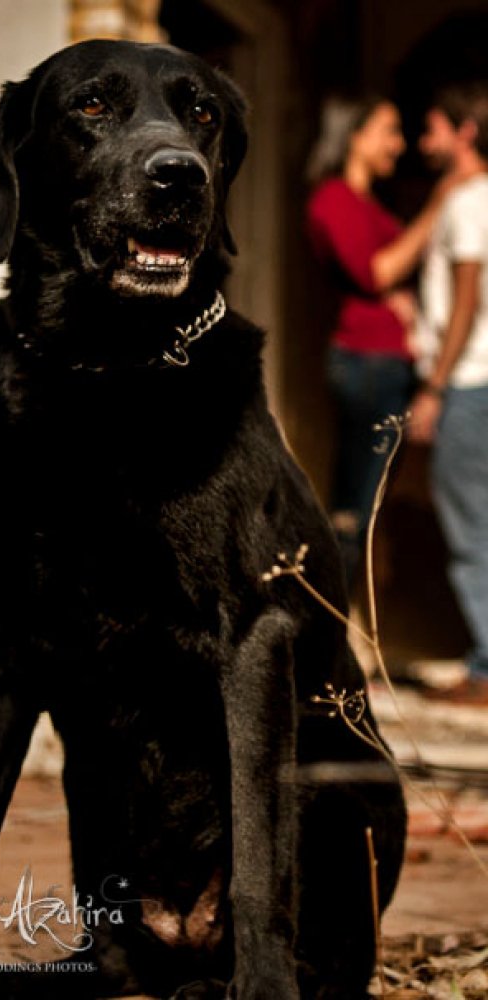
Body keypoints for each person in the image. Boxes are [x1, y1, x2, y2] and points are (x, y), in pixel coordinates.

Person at [306, 97, 453, 591]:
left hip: (390, 361)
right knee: (355, 508)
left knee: (370, 504)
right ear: (356, 136)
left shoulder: (372, 205)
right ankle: (338, 638)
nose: (399, 143)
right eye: (389, 130)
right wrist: (439, 203)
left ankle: (355, 635)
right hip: (365, 361)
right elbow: (375, 272)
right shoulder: (332, 199)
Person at [408, 82, 488, 705]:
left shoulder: (467, 203)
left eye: (432, 127)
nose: (420, 141)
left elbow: (468, 298)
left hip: (468, 382)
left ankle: (487, 668)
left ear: (463, 132)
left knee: (471, 529)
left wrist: (434, 387)